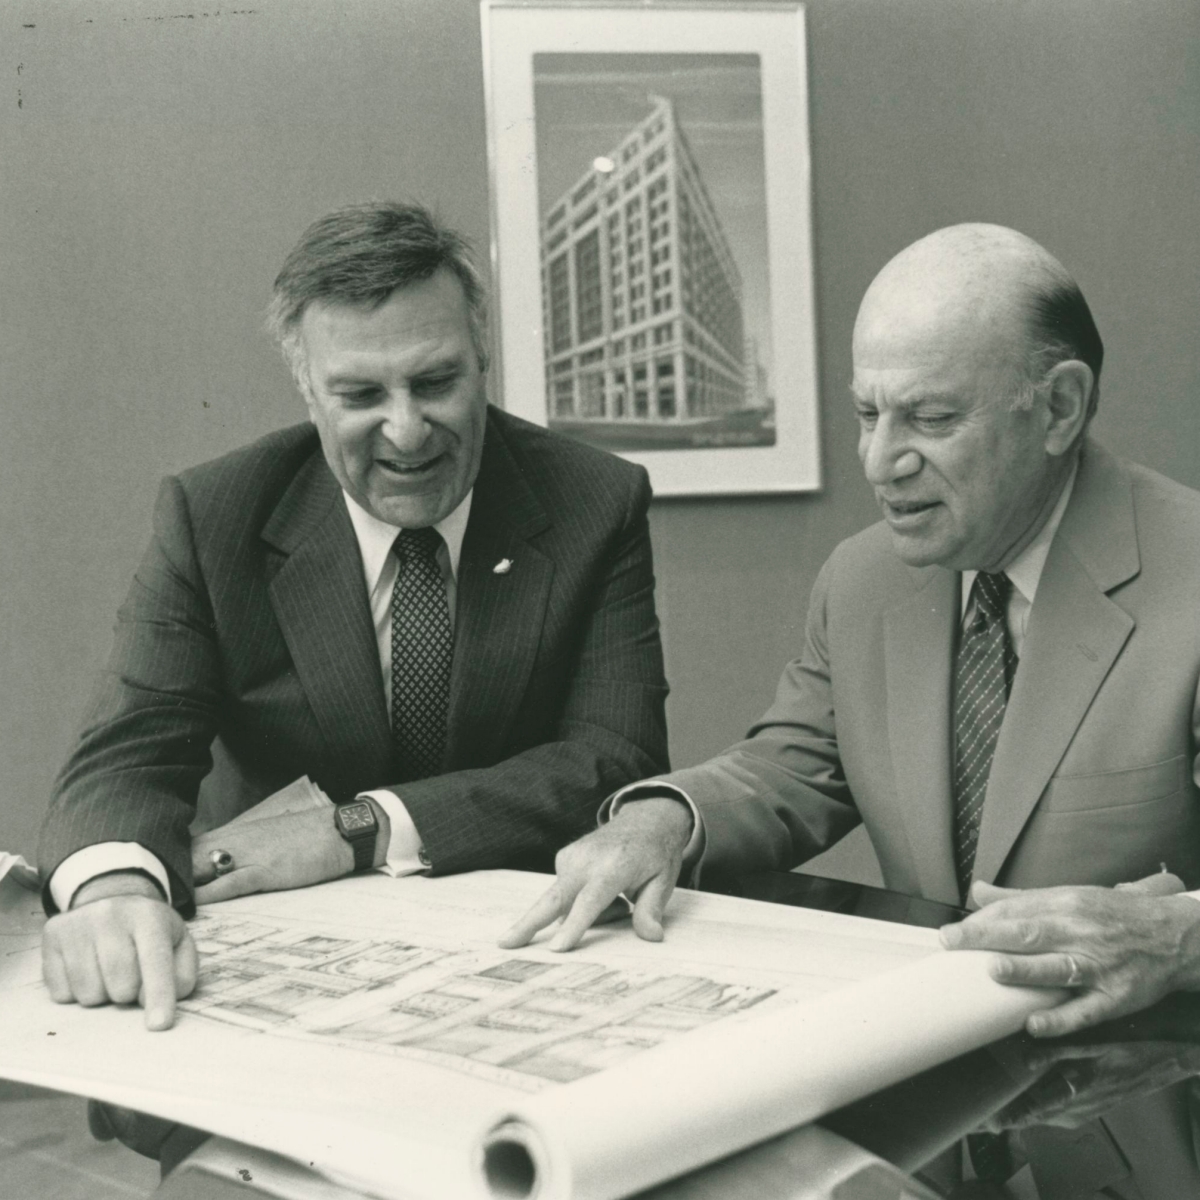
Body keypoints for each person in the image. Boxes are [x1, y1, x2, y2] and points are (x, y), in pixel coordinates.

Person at [504, 223, 1200, 1040]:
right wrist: (661, 819)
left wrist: (1177, 934)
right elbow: (795, 766)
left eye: (929, 418)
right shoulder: (862, 578)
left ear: (1060, 408)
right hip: (935, 1060)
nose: (878, 460)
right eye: (868, 413)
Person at [39, 201, 669, 1030]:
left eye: (436, 382)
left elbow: (615, 758)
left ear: (483, 362)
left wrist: (359, 829)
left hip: (517, 947)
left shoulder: (594, 500)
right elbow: (129, 747)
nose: (406, 431)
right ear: (308, 393)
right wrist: (114, 892)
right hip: (271, 955)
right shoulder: (215, 515)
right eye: (361, 394)